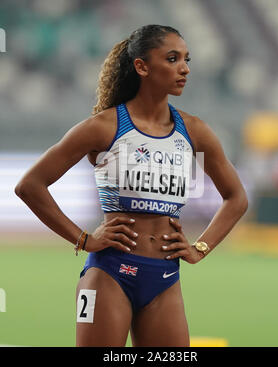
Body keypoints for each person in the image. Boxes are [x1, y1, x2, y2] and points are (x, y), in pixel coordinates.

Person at [15, 24, 248, 347]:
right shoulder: (104, 127)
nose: (185, 68)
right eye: (172, 58)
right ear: (141, 66)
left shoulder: (195, 131)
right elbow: (30, 186)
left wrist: (200, 248)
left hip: (165, 278)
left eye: (186, 59)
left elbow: (236, 198)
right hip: (109, 274)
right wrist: (83, 239)